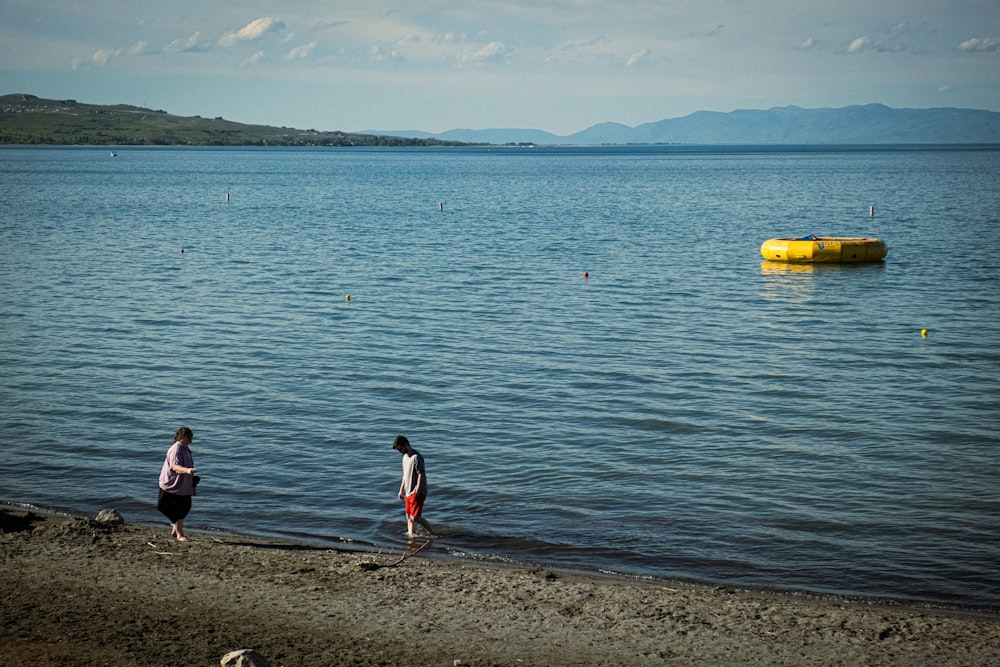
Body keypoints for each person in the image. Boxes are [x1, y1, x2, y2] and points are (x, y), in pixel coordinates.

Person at [157, 426, 197, 542]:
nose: (191, 441)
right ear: (183, 437)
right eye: (189, 438)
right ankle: (179, 533)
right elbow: (175, 466)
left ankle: (176, 532)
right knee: (170, 508)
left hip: (182, 486)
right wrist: (187, 470)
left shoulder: (185, 448)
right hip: (171, 486)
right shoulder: (176, 449)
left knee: (184, 508)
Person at [393, 434, 435, 538]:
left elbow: (421, 474)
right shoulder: (404, 457)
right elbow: (405, 474)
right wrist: (401, 490)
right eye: (398, 450)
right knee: (408, 516)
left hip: (418, 492)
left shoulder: (417, 457)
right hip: (408, 491)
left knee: (415, 516)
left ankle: (432, 533)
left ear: (406, 444)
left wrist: (417, 489)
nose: (400, 451)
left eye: (400, 449)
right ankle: (412, 535)